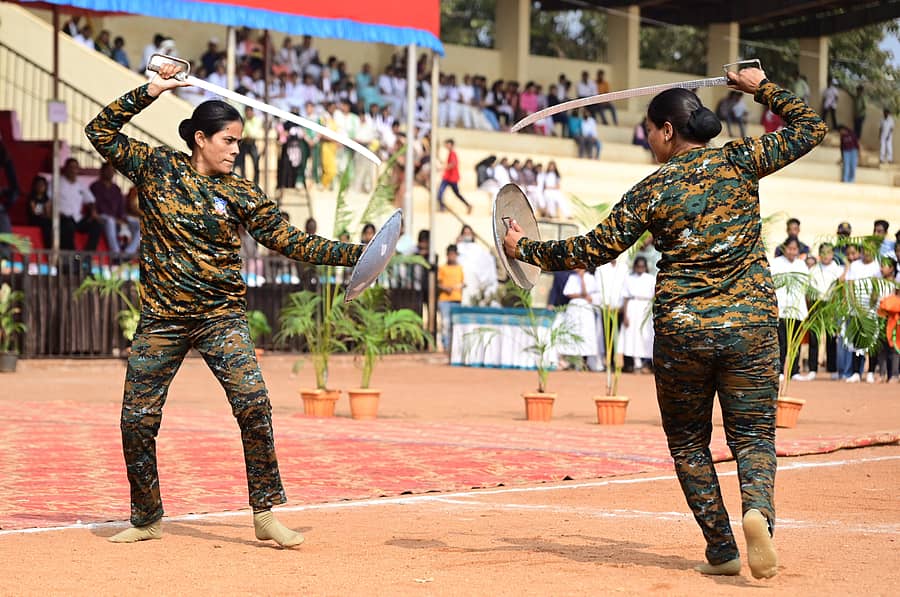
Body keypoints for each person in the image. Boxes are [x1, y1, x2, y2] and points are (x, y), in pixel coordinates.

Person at [503, 67, 827, 579]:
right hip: (751, 325)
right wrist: (758, 87)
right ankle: (757, 512)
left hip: (683, 331)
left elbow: (591, 250)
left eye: (650, 131)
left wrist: (525, 248)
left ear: (668, 130)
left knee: (689, 443)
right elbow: (812, 127)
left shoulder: (651, 190)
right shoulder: (740, 159)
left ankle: (721, 549)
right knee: (754, 437)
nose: (648, 139)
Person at [85, 61, 365, 545]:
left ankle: (265, 514)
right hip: (162, 321)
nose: (236, 150)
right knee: (137, 420)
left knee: (254, 404)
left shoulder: (241, 192)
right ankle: (146, 517)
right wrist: (152, 89)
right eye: (228, 141)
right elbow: (100, 131)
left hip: (221, 318)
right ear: (200, 138)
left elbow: (292, 240)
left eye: (239, 142)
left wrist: (359, 254)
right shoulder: (157, 167)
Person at [770, 238, 809, 381]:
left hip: (797, 310)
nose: (792, 252)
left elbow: (806, 285)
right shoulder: (776, 263)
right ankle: (780, 371)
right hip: (781, 309)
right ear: (784, 248)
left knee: (795, 343)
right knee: (782, 342)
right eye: (790, 248)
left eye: (795, 249)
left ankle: (794, 371)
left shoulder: (801, 264)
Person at [807, 243, 843, 380]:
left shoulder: (838, 270)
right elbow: (808, 291)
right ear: (819, 254)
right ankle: (812, 369)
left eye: (828, 253)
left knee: (831, 338)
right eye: (823, 253)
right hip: (816, 304)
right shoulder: (813, 270)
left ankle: (832, 369)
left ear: (832, 254)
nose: (826, 256)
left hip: (831, 305)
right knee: (814, 338)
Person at [90, 161, 141, 257]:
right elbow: (97, 206)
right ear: (102, 171)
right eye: (108, 170)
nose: (110, 172)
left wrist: (123, 218)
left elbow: (121, 207)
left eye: (112, 170)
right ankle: (116, 254)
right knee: (110, 221)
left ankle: (128, 253)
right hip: (102, 216)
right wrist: (116, 219)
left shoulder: (116, 188)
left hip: (117, 217)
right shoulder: (95, 186)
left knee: (139, 225)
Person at [617, 256, 655, 373]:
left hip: (646, 307)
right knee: (632, 335)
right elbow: (625, 297)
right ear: (635, 267)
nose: (640, 268)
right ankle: (635, 362)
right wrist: (625, 315)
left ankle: (647, 363)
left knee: (646, 335)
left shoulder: (651, 278)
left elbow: (654, 296)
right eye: (638, 266)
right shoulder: (629, 278)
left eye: (642, 266)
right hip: (632, 307)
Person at [57, 158, 103, 251]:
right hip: (62, 218)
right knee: (68, 226)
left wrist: (93, 212)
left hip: (77, 218)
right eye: (71, 167)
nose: (73, 170)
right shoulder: (57, 182)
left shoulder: (80, 184)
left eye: (75, 168)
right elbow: (49, 198)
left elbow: (91, 200)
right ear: (66, 168)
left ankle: (87, 255)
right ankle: (72, 256)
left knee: (97, 225)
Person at [437, 244, 463, 351]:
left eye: (453, 254)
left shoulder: (460, 268)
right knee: (445, 324)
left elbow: (463, 282)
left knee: (455, 324)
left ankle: (454, 347)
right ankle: (446, 346)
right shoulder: (442, 268)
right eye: (450, 254)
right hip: (445, 300)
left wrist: (460, 286)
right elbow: (438, 284)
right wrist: (446, 288)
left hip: (456, 300)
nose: (452, 257)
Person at [437, 139, 472, 214]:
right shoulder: (450, 153)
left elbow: (453, 164)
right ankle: (442, 207)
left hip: (451, 178)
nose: (446, 146)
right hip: (448, 177)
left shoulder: (453, 153)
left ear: (451, 145)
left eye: (448, 144)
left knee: (448, 193)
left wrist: (443, 168)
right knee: (442, 193)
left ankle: (468, 205)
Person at [236, 106, 263, 184]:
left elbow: (254, 133)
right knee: (241, 163)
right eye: (246, 111)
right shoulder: (243, 120)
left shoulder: (257, 121)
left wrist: (247, 134)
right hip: (244, 143)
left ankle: (256, 182)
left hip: (252, 143)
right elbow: (242, 133)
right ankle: (243, 180)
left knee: (256, 163)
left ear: (252, 112)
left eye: (249, 111)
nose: (248, 113)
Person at [26, 175, 53, 249]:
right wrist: (44, 208)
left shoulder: (47, 199)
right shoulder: (31, 198)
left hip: (46, 220)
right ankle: (48, 248)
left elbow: (49, 214)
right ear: (35, 186)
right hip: (35, 220)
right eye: (39, 184)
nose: (41, 186)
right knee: (46, 224)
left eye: (43, 185)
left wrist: (47, 210)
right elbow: (35, 212)